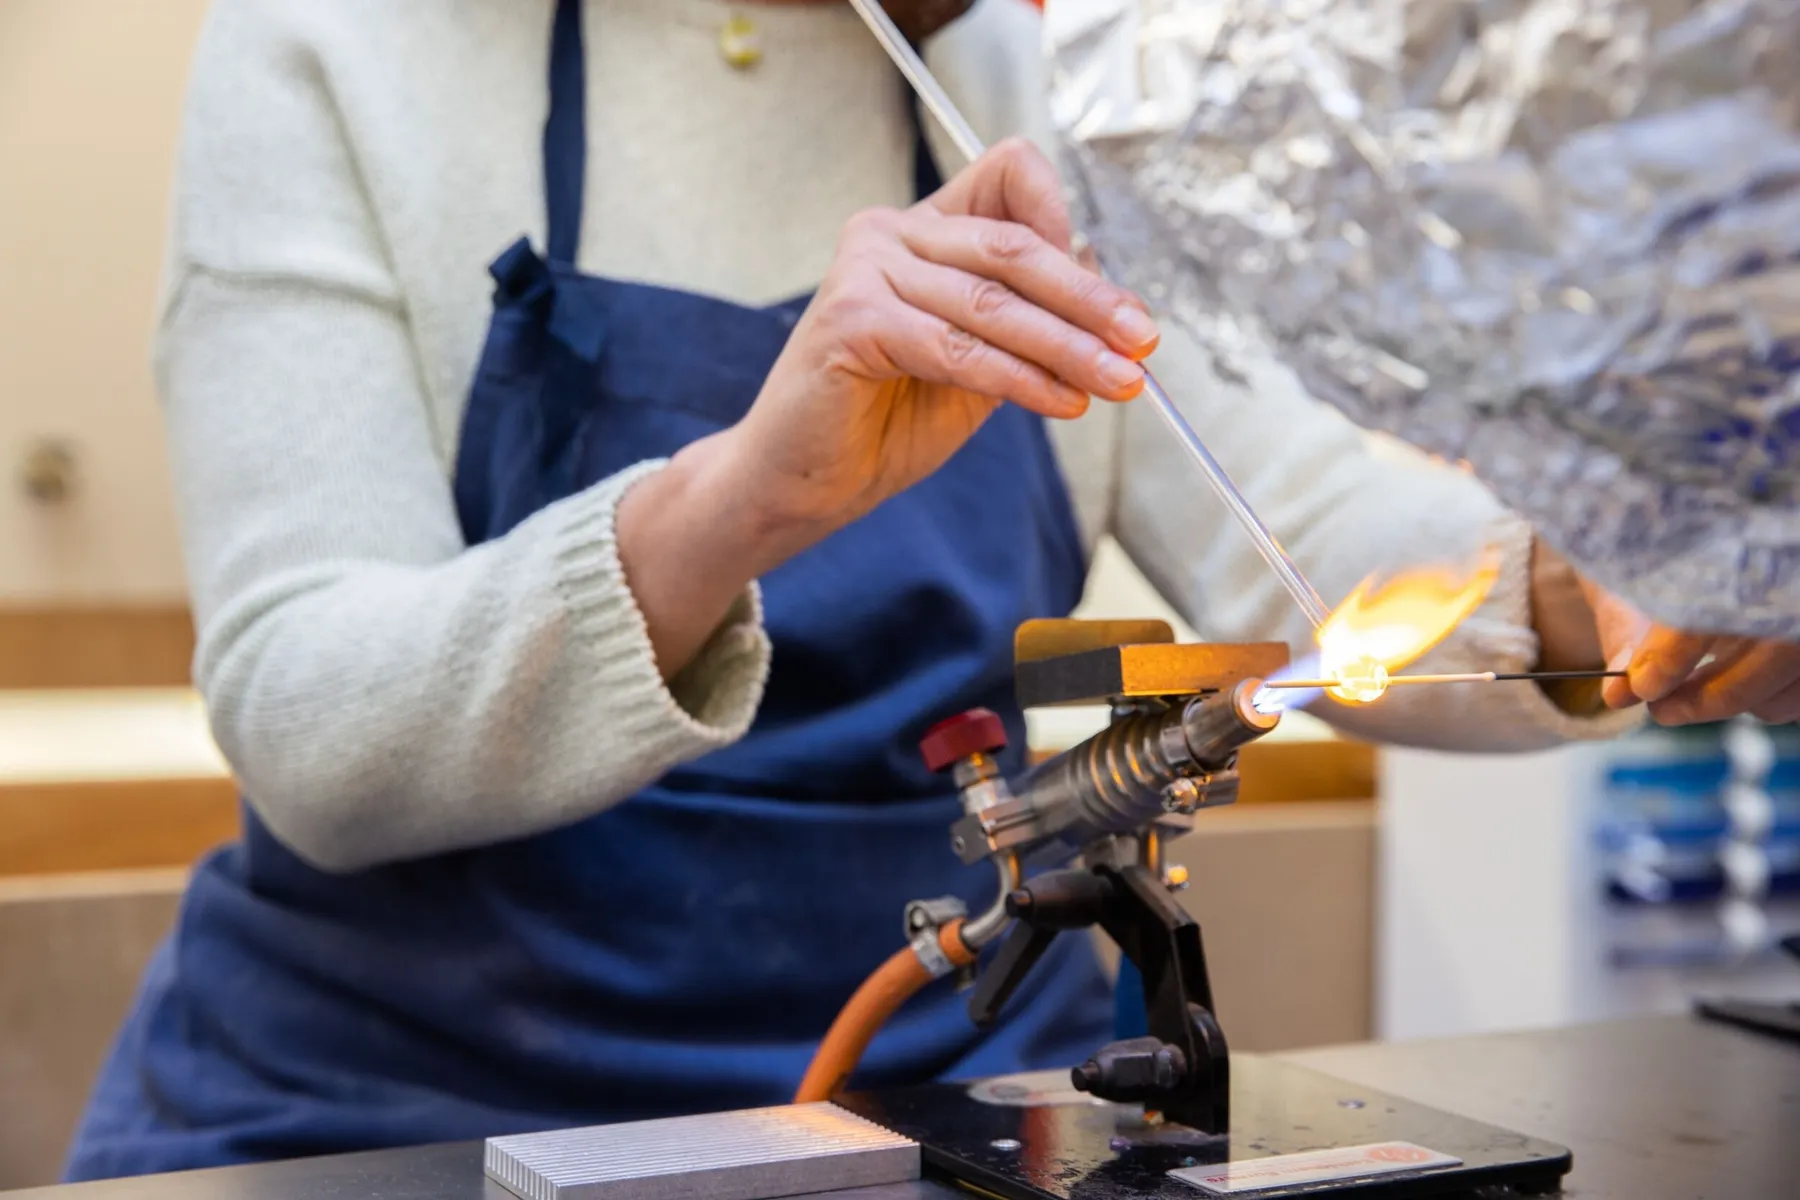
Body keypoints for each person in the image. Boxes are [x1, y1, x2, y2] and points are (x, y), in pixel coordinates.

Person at [63, 0, 1800, 1181]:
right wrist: (737, 500)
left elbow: (1313, 531)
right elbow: (308, 721)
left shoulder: (1027, 87)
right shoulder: (341, 44)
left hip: (959, 1115)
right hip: (396, 1121)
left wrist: (1633, 589)